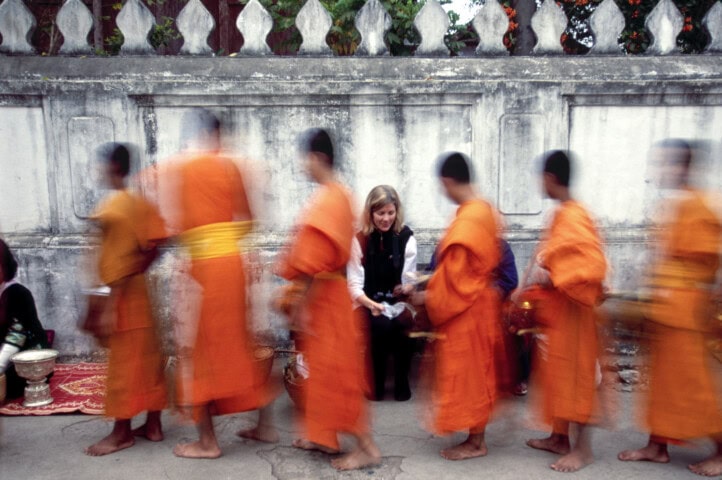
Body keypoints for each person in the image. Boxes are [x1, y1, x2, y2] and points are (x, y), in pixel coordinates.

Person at [170, 109, 277, 458]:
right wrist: (224, 240)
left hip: (206, 269)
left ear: (198, 135)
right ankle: (265, 425)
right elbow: (248, 221)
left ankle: (207, 442)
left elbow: (180, 228)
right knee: (239, 345)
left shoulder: (185, 170)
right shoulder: (232, 167)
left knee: (202, 354)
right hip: (233, 265)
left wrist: (200, 247)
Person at [275, 128, 381, 470]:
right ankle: (322, 435)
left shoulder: (329, 198)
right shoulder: (336, 194)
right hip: (324, 296)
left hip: (325, 296)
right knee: (318, 372)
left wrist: (298, 301)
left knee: (338, 374)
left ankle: (366, 447)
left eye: (305, 158)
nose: (302, 165)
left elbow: (311, 261)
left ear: (318, 158)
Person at [617, 139, 722, 477]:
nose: (659, 172)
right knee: (662, 384)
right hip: (665, 307)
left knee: (692, 387)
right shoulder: (676, 206)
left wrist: (673, 288)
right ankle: (657, 446)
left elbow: (707, 263)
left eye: (666, 164)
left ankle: (721, 450)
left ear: (682, 167)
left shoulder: (701, 205)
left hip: (685, 309)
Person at [519, 150, 607, 473]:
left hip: (575, 313)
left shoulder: (575, 215)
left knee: (579, 379)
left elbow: (591, 265)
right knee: (558, 376)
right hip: (558, 314)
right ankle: (559, 437)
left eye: (541, 177)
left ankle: (583, 450)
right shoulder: (561, 215)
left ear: (551, 178)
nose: (539, 183)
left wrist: (553, 271)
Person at [413, 152, 503, 461]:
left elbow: (457, 277)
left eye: (442, 186)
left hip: (467, 308)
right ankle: (474, 437)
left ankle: (476, 442)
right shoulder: (484, 211)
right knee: (476, 372)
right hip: (478, 304)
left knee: (470, 375)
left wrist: (427, 297)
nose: (443, 192)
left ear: (448, 181)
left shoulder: (469, 219)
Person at [85, 143, 168, 456]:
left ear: (114, 168)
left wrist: (107, 304)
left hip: (120, 296)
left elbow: (115, 262)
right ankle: (154, 425)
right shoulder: (140, 204)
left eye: (103, 165)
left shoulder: (114, 208)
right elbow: (157, 244)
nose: (100, 171)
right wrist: (139, 270)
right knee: (148, 359)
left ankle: (121, 433)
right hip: (139, 292)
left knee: (122, 366)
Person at [347, 185, 417, 401]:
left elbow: (410, 278)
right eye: (380, 213)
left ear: (397, 212)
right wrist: (373, 305)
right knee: (380, 324)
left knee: (403, 322)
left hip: (396, 302)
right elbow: (354, 286)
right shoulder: (359, 240)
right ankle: (376, 384)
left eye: (390, 213)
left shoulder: (406, 238)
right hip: (366, 301)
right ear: (370, 213)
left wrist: (407, 287)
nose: (386, 218)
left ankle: (401, 382)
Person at [0, 239, 49, 399]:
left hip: (24, 358)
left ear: (4, 267)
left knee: (11, 382)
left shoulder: (17, 293)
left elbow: (16, 337)